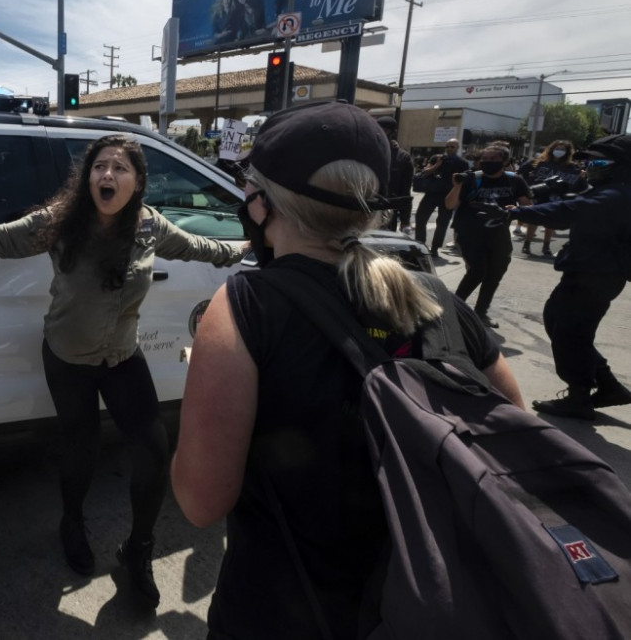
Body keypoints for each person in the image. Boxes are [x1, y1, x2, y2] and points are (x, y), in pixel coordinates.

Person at [169, 102, 523, 639]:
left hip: (285, 614)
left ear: (262, 203)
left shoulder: (245, 304)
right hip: (437, 607)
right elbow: (511, 438)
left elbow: (200, 502)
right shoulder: (433, 295)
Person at [0, 134, 243, 607]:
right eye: (100, 166)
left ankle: (137, 550)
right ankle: (72, 522)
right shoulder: (59, 223)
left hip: (122, 357)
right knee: (79, 453)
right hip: (68, 360)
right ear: (87, 177)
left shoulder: (149, 226)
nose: (108, 175)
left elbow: (196, 247)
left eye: (121, 168)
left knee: (154, 450)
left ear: (138, 182)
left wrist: (246, 248)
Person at [498, 134, 631, 420]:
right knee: (559, 322)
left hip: (596, 274)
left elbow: (571, 211)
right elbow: (567, 208)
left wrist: (518, 213)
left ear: (619, 165)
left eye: (598, 161)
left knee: (571, 331)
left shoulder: (618, 193)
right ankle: (606, 385)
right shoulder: (609, 189)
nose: (591, 166)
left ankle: (579, 396)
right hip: (590, 270)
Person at [445, 144, 532, 327]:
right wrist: (457, 186)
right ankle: (454, 308)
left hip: (498, 233)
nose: (488, 162)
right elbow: (450, 205)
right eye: (484, 159)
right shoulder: (471, 178)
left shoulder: (514, 181)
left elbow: (527, 205)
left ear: (505, 161)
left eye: (493, 159)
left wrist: (515, 209)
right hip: (469, 233)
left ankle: (481, 313)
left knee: (495, 272)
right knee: (478, 270)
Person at [516, 139, 585, 256]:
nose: (559, 151)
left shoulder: (571, 167)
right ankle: (527, 244)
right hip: (539, 195)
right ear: (551, 149)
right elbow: (520, 173)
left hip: (556, 197)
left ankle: (546, 246)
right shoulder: (539, 162)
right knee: (534, 220)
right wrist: (527, 187)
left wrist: (581, 177)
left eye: (562, 149)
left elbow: (576, 184)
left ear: (568, 152)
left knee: (551, 222)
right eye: (557, 148)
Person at [412, 138, 469, 261]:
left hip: (448, 196)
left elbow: (464, 182)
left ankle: (435, 248)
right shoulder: (436, 158)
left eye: (452, 147)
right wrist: (437, 165)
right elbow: (425, 173)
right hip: (431, 194)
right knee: (421, 218)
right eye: (447, 146)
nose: (449, 149)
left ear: (457, 148)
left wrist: (459, 197)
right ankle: (420, 244)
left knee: (442, 223)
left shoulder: (462, 163)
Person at [375, 117, 414, 232]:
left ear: (392, 132)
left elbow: (405, 191)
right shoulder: (368, 150)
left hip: (388, 210)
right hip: (366, 209)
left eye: (384, 130)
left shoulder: (402, 157)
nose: (380, 133)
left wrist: (405, 221)